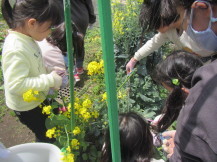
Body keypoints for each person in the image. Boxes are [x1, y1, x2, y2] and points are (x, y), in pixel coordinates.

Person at [1, 0, 63, 142]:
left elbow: (33, 64)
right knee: (45, 135)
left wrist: (49, 70)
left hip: (37, 97)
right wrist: (50, 80)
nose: (50, 32)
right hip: (28, 107)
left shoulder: (27, 37)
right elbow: (16, 85)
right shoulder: (16, 48)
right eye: (49, 27)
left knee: (54, 118)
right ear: (32, 23)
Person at [154, 50, 217, 161]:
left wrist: (180, 147)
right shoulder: (213, 70)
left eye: (171, 93)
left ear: (182, 90)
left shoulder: (192, 117)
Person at [126, 0, 217, 74]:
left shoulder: (193, 21)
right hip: (200, 66)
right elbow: (153, 43)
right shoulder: (169, 31)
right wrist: (135, 58)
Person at [57, 0, 96, 81]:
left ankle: (72, 71)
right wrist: (92, 18)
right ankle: (79, 67)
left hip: (62, 18)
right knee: (79, 42)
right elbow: (88, 3)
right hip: (80, 16)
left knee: (64, 46)